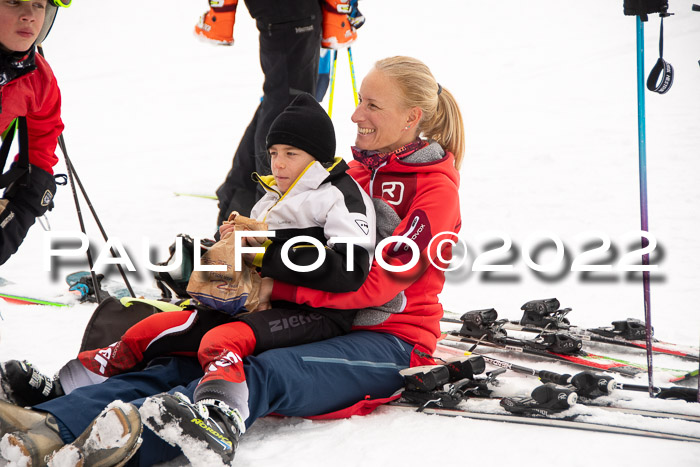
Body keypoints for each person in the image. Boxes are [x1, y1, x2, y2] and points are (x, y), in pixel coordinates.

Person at [0, 56, 464, 467]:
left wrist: (273, 287)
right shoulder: (352, 173)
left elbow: (376, 284)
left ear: (412, 118)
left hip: (391, 344)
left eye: (372, 106)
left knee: (262, 373)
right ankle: (49, 425)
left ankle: (127, 441)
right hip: (315, 318)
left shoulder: (435, 192)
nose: (355, 114)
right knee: (188, 359)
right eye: (361, 100)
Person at [209, 0, 363, 224]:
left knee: (281, 100)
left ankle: (241, 203)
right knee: (287, 105)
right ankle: (269, 208)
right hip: (291, 10)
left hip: (291, 12)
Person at [0, 0, 67, 266]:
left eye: (39, 4)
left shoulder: (37, 77)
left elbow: (43, 138)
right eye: (14, 1)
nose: (29, 15)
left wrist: (24, 204)